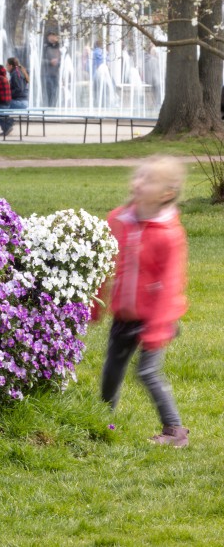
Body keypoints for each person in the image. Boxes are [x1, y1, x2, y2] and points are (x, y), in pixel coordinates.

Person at [96, 157, 190, 447]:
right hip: (124, 315)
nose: (137, 183)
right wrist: (94, 304)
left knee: (147, 371)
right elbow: (104, 264)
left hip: (155, 320)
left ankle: (175, 431)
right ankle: (101, 423)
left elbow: (170, 287)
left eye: (147, 180)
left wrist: (157, 330)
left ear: (166, 193)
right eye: (138, 176)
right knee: (111, 371)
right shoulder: (118, 220)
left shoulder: (169, 235)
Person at [42, 32, 62, 107]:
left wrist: (59, 62)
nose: (53, 38)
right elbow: (39, 61)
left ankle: (54, 108)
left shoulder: (59, 47)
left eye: (55, 36)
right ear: (48, 37)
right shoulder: (44, 47)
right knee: (49, 93)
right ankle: (48, 108)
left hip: (56, 74)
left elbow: (63, 60)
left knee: (55, 93)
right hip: (46, 74)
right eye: (52, 36)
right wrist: (49, 62)